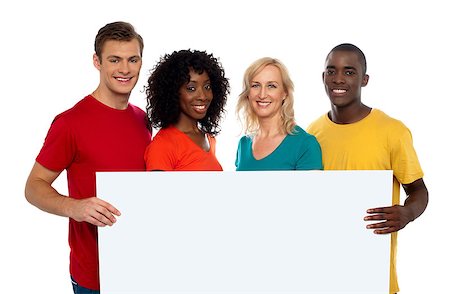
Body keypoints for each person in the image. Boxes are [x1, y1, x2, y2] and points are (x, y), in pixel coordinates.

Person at [24, 21, 151, 293]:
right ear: (97, 61)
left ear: (141, 62)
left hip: (143, 268)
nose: (125, 69)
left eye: (132, 59)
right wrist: (74, 207)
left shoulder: (143, 119)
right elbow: (33, 187)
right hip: (95, 277)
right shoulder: (70, 123)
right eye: (114, 60)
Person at [307, 43, 429, 294]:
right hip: (323, 277)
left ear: (364, 80)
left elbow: (418, 190)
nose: (338, 78)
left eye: (349, 72)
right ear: (323, 78)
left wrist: (408, 213)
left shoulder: (392, 131)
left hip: (375, 280)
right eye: (332, 71)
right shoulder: (311, 134)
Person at [144, 49, 229, 171]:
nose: (203, 96)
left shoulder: (209, 139)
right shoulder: (163, 146)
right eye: (191, 88)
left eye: (207, 87)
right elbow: (156, 190)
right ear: (173, 92)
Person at [235, 57, 322, 171]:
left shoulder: (305, 144)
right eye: (255, 85)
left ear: (284, 93)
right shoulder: (244, 144)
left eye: (271, 86)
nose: (262, 94)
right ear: (247, 93)